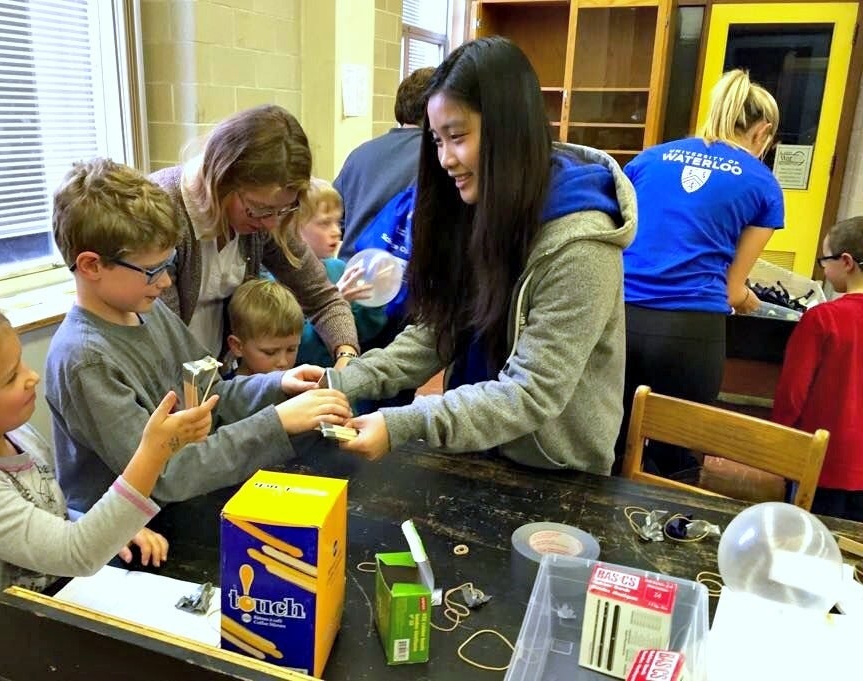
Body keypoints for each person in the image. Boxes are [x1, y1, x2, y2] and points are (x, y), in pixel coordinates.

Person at [336, 37, 636, 475]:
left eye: (456, 138)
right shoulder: (477, 210)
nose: (445, 159)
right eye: (437, 141)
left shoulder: (580, 245)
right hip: (473, 449)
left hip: (553, 474)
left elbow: (530, 393)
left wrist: (405, 421)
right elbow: (438, 331)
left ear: (508, 129)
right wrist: (340, 381)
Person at [44, 159, 352, 514]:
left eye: (168, 263)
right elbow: (164, 474)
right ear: (91, 266)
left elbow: (212, 392)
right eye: (151, 270)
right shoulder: (87, 359)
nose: (166, 281)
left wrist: (278, 384)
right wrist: (278, 423)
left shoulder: (148, 309)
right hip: (127, 540)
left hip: (177, 508)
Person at [0, 287, 218, 594]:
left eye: (22, 363)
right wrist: (153, 453)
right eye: (11, 376)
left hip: (57, 598)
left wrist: (111, 530)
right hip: (7, 637)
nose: (33, 376)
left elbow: (48, 514)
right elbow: (75, 553)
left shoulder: (16, 435)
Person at [617, 69, 783, 476]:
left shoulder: (649, 159)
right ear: (762, 131)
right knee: (677, 461)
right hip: (688, 335)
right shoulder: (763, 184)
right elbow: (730, 290)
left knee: (609, 442)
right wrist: (750, 301)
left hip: (618, 318)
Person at [149, 105, 359, 367]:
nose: (271, 223)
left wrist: (346, 354)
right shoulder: (163, 213)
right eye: (260, 208)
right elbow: (167, 349)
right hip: (173, 385)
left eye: (282, 210)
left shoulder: (263, 220)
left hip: (217, 378)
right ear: (222, 181)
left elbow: (323, 297)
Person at [773, 217, 863, 521]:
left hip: (823, 464)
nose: (824, 268)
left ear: (846, 261)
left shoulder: (822, 319)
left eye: (825, 259)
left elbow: (792, 394)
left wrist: (778, 445)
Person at [334, 66, 434, 260]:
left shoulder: (359, 154)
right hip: (399, 283)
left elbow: (333, 218)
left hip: (349, 277)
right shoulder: (438, 160)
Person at [295, 178, 387, 366]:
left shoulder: (338, 268)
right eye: (324, 223)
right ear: (294, 228)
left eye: (338, 222)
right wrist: (338, 303)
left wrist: (374, 297)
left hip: (340, 372)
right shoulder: (275, 281)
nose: (336, 231)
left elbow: (364, 332)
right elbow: (299, 348)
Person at [225, 278, 304, 376]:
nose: (283, 362)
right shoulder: (223, 390)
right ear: (237, 346)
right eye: (270, 352)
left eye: (291, 349)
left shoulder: (302, 382)